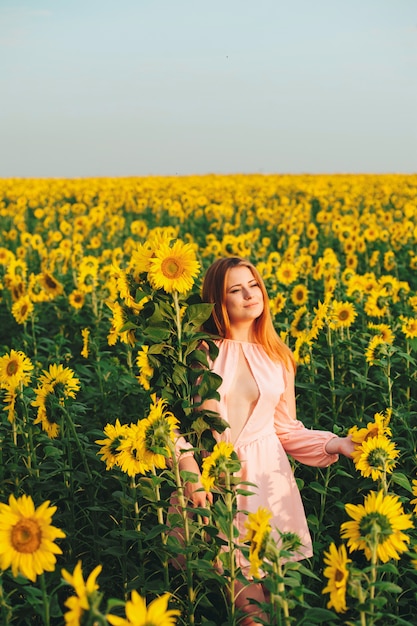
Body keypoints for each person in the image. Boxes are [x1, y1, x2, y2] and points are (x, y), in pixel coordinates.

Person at [175, 256, 354, 625]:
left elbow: (285, 429)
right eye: (235, 290)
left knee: (277, 606)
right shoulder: (199, 352)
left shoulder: (278, 356)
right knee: (248, 611)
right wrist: (190, 474)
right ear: (217, 302)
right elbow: (176, 424)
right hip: (215, 484)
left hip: (268, 484)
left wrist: (336, 443)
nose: (248, 295)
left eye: (253, 285)